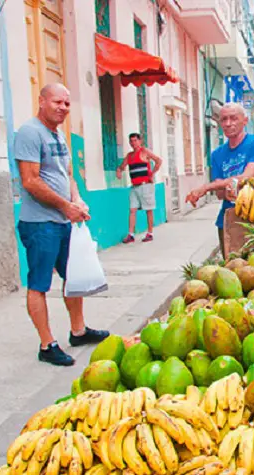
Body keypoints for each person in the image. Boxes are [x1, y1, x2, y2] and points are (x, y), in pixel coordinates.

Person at [15, 84, 109, 366]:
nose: (63, 108)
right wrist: (65, 206)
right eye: (57, 102)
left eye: (67, 104)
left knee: (74, 275)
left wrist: (77, 201)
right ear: (41, 101)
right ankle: (47, 344)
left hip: (63, 220)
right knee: (39, 284)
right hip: (40, 224)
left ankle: (78, 330)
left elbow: (67, 175)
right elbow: (31, 181)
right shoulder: (30, 132)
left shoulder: (58, 135)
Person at [185, 103, 254, 255]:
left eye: (233, 118)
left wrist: (205, 188)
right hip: (228, 221)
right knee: (232, 270)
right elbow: (219, 194)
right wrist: (228, 191)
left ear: (244, 121)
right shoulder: (217, 154)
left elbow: (246, 177)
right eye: (224, 119)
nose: (228, 123)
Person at [116, 133, 162, 243]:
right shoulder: (129, 156)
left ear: (140, 141)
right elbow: (122, 166)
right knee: (132, 210)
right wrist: (119, 171)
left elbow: (158, 160)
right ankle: (131, 235)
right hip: (134, 187)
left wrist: (152, 173)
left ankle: (150, 233)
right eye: (131, 141)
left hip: (145, 185)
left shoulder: (144, 151)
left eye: (135, 140)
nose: (133, 143)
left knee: (148, 210)